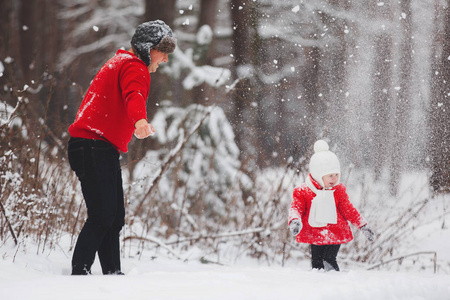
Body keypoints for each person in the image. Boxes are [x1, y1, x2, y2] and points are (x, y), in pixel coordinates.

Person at [67, 20, 176, 275]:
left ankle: (113, 274)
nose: (165, 60)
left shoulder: (119, 62)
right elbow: (134, 94)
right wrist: (139, 120)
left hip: (93, 147)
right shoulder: (135, 67)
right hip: (93, 146)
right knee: (103, 215)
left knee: (113, 218)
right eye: (164, 52)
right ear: (148, 49)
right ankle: (79, 272)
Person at [288, 140, 374, 271]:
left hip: (335, 231)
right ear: (318, 174)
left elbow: (349, 210)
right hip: (315, 232)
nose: (334, 179)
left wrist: (362, 225)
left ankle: (333, 281)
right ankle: (318, 285)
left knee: (329, 259)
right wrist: (295, 220)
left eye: (336, 175)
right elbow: (296, 207)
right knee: (316, 263)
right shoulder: (304, 191)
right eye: (330, 176)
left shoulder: (338, 191)